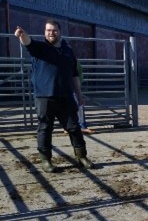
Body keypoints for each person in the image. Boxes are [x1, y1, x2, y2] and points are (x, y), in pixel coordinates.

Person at [14, 20, 93, 172]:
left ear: (59, 32)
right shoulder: (40, 48)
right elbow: (28, 43)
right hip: (45, 96)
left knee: (74, 127)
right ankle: (46, 161)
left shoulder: (68, 50)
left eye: (54, 30)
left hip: (66, 96)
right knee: (45, 128)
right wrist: (22, 35)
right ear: (45, 32)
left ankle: (81, 156)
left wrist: (79, 94)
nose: (51, 33)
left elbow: (74, 74)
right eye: (48, 30)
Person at [75, 60, 95, 134]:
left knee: (76, 106)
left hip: (74, 85)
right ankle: (81, 126)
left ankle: (77, 126)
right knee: (79, 106)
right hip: (73, 86)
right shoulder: (69, 58)